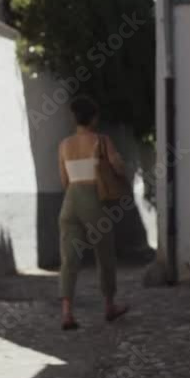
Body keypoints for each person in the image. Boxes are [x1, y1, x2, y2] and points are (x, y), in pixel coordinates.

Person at [57, 96, 129, 330]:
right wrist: (120, 174)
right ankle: (109, 305)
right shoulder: (102, 140)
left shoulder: (64, 145)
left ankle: (67, 313)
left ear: (74, 118)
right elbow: (118, 165)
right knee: (105, 253)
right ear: (94, 118)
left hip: (70, 201)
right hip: (94, 198)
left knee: (69, 258)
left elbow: (64, 180)